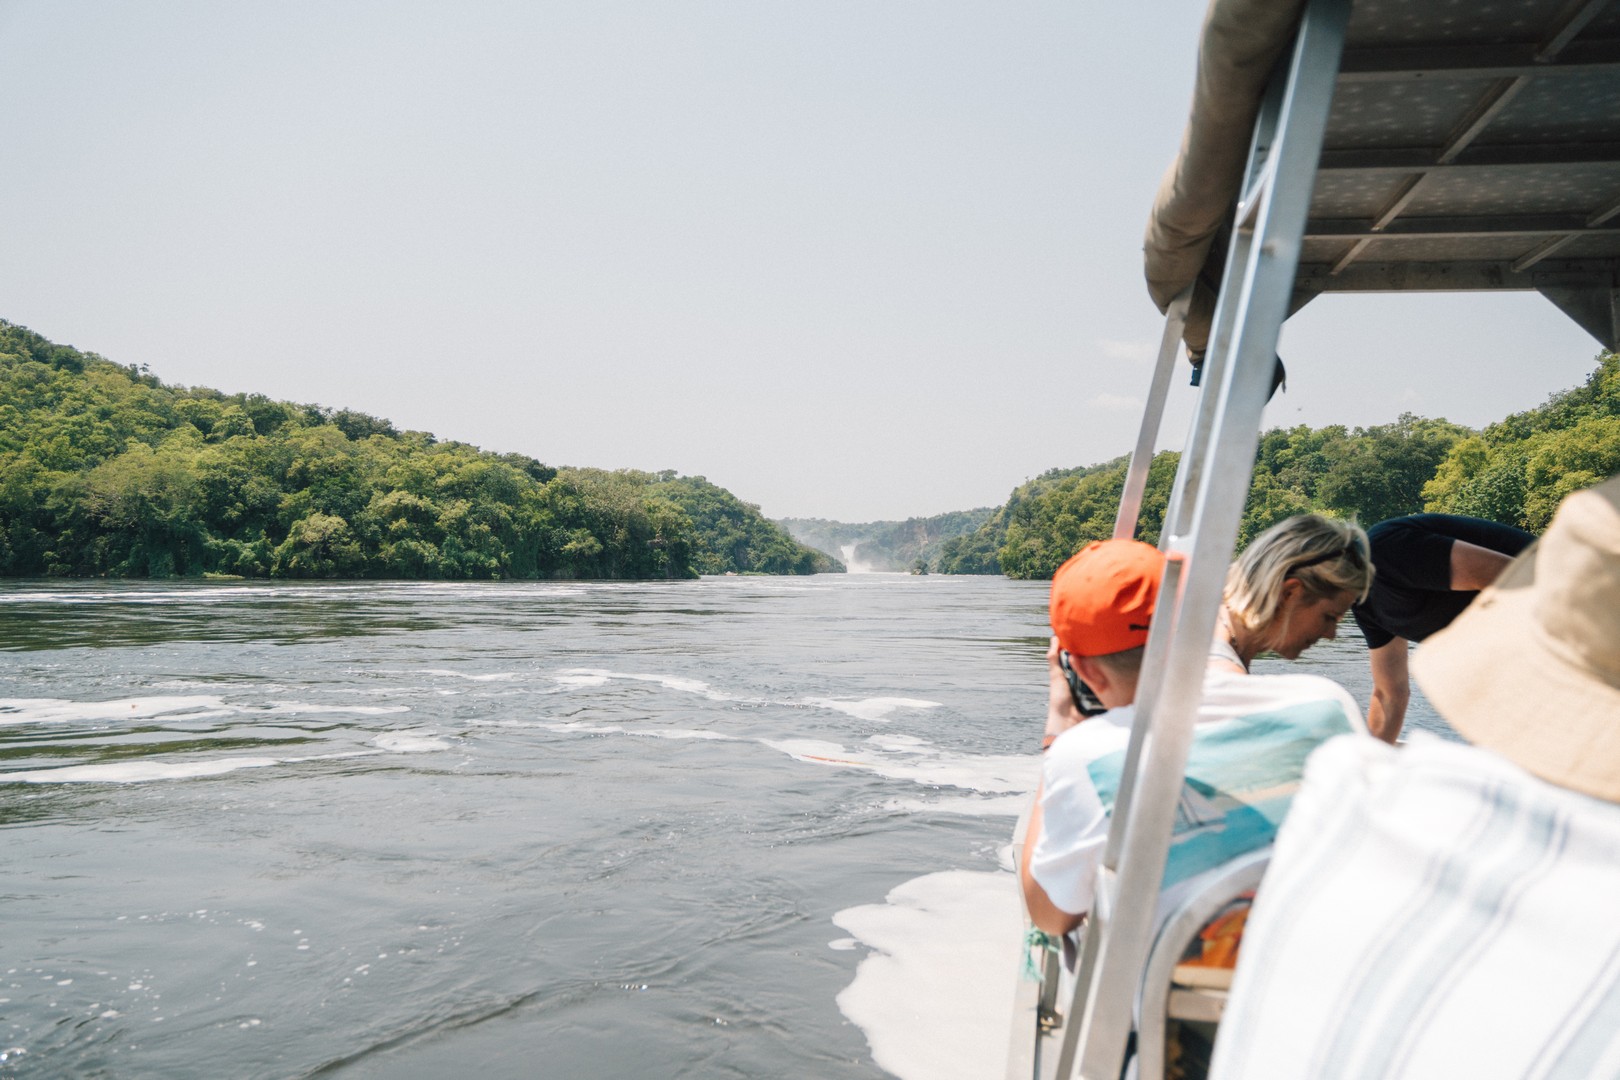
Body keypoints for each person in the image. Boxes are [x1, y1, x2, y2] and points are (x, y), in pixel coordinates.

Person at [1207, 474, 1620, 1080]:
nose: (1331, 633)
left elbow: (1528, 581)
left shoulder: (1393, 549)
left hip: (1567, 640)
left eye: (1334, 615)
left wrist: (1531, 690)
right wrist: (1370, 780)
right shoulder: (1371, 604)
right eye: (1333, 615)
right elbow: (1389, 693)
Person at [1019, 538, 1365, 938]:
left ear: (1084, 671)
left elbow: (1050, 917)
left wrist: (1060, 730)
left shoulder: (1086, 755)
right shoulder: (1326, 704)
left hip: (1173, 999)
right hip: (1310, 969)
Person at [1351, 513, 1534, 743]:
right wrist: (1367, 765)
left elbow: (1518, 578)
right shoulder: (1364, 606)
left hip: (1576, 601)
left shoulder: (1384, 550)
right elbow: (1390, 694)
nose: (1327, 634)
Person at [1213, 514, 1374, 674]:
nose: (1331, 634)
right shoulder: (1224, 676)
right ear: (1289, 593)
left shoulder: (1212, 629)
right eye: (1330, 617)